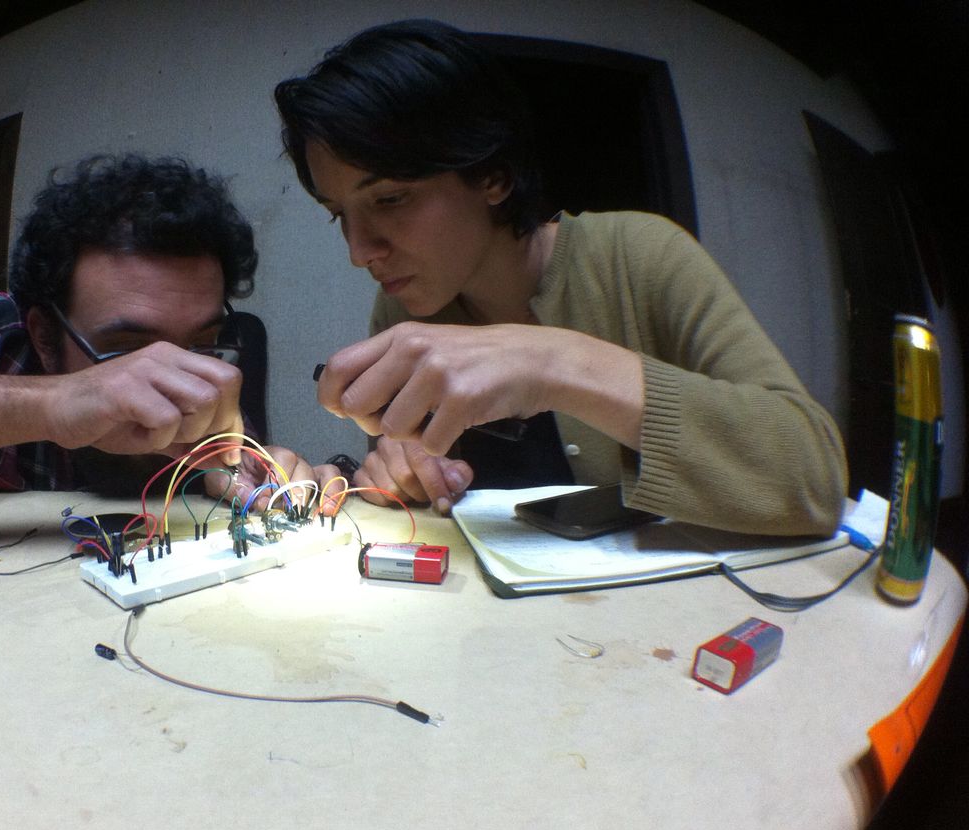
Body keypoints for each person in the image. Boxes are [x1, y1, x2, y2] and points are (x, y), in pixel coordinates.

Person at [274, 19, 847, 536]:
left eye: (390, 198)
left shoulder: (641, 254)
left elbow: (815, 479)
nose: (359, 251)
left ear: (492, 176)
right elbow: (413, 482)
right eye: (339, 214)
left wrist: (552, 362)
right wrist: (403, 470)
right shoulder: (402, 308)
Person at [0, 153, 337, 504]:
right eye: (126, 349)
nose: (172, 379)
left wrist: (249, 473)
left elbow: (230, 468)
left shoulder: (216, 370)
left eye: (200, 343)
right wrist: (54, 403)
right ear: (44, 336)